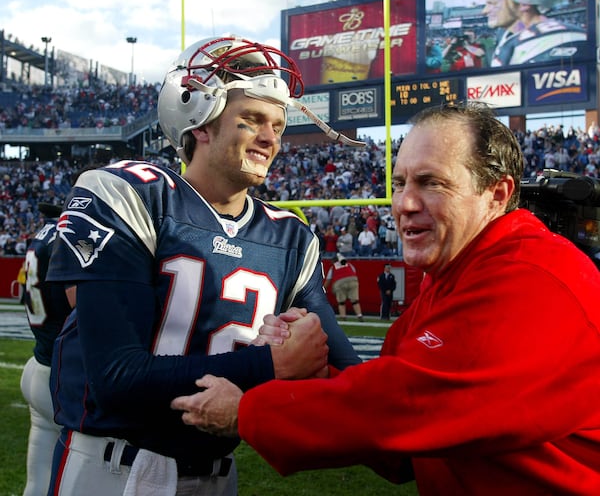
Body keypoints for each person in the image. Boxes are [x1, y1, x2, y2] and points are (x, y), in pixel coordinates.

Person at [171, 102, 600, 494]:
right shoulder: (452, 277)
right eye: (398, 183)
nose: (404, 203)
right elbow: (399, 450)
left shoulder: (537, 275)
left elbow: (409, 405)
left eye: (431, 183)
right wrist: (314, 373)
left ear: (497, 195)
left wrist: (248, 413)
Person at [45, 36, 362, 496]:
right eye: (251, 120)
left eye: (277, 124)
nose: (270, 138)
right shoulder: (132, 195)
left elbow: (339, 367)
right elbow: (115, 377)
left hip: (218, 473)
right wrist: (271, 364)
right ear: (200, 121)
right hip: (113, 468)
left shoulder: (290, 236)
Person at [19, 202, 73, 496]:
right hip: (63, 377)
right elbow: (81, 301)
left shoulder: (44, 233)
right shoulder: (71, 235)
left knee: (38, 484)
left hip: (39, 362)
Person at [488, 0, 586, 66]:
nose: (486, 10)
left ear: (523, 3)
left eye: (496, 1)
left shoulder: (552, 40)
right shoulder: (508, 33)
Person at [323, 254, 363, 321]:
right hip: (353, 280)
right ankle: (359, 315)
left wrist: (323, 290)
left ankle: (343, 316)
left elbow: (328, 280)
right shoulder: (349, 264)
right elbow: (353, 272)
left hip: (340, 282)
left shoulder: (333, 267)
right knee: (355, 301)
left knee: (341, 302)